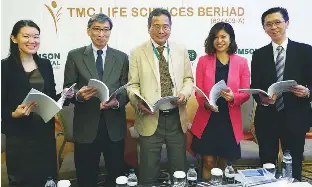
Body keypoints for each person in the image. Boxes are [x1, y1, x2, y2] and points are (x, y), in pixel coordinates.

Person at [1, 20, 73, 187]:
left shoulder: (45, 64)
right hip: (18, 135)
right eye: (26, 36)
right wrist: (13, 113)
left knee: (46, 179)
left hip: (45, 132)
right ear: (14, 38)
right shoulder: (4, 67)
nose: (32, 41)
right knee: (21, 180)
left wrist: (64, 96)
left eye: (36, 37)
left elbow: (49, 97)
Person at [127, 8, 194, 184]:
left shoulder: (181, 50)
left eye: (165, 26)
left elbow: (188, 79)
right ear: (149, 28)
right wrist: (137, 102)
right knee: (148, 172)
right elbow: (132, 85)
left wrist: (184, 94)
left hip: (176, 119)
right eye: (156, 26)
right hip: (150, 118)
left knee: (179, 170)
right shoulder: (137, 52)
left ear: (171, 27)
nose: (161, 31)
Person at [63, 13, 129, 187]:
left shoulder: (121, 58)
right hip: (86, 125)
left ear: (110, 32)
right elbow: (68, 88)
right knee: (86, 177)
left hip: (113, 126)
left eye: (105, 30)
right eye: (97, 29)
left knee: (115, 176)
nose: (101, 34)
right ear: (88, 31)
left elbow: (126, 90)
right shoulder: (75, 56)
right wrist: (78, 95)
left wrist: (117, 102)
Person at [251, 7, 312, 181]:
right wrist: (262, 98)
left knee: (293, 166)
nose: (273, 27)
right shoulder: (258, 54)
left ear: (287, 23)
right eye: (268, 24)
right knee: (267, 165)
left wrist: (307, 92)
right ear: (264, 28)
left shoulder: (305, 51)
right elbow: (255, 86)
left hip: (296, 117)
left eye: (277, 22)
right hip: (267, 119)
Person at [190, 22, 251, 179]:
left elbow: (245, 93)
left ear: (231, 39)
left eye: (223, 36)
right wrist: (206, 102)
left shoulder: (242, 62)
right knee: (208, 161)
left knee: (224, 162)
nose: (219, 40)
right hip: (208, 118)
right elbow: (199, 91)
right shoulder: (203, 61)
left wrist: (233, 97)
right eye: (215, 37)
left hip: (229, 119)